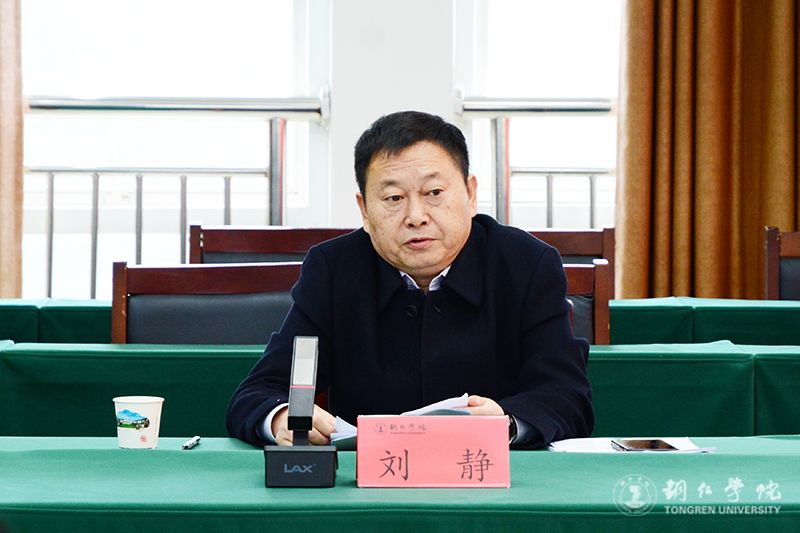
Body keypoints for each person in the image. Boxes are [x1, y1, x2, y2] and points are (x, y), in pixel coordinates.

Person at [226, 110, 593, 449]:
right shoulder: (334, 270)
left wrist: (507, 422)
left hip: (490, 477)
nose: (416, 216)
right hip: (367, 482)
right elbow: (260, 392)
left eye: (434, 193)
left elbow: (567, 397)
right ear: (364, 210)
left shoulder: (526, 265)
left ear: (470, 194)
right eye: (393, 198)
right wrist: (281, 417)